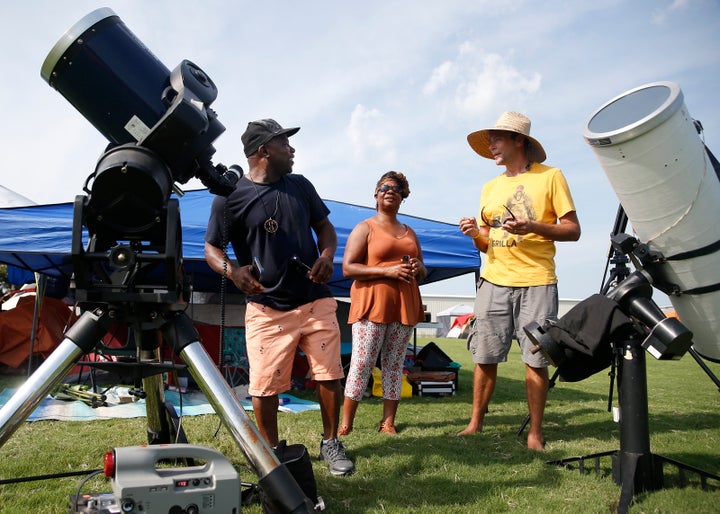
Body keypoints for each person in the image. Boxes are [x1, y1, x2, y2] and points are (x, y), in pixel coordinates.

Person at [204, 119, 354, 476]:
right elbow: (212, 247)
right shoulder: (229, 198)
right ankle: (270, 453)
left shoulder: (300, 186)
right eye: (285, 143)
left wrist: (327, 256)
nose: (292, 150)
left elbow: (325, 229)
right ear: (264, 151)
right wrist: (233, 272)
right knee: (265, 384)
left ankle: (331, 442)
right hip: (266, 307)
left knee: (329, 374)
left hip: (315, 299)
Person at [457, 111, 581, 450]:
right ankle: (475, 423)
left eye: (497, 138)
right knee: (484, 355)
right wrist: (474, 235)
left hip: (537, 281)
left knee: (536, 359)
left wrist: (533, 226)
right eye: (491, 140)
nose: (492, 145)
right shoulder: (490, 187)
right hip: (494, 280)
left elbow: (573, 230)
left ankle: (535, 433)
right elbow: (486, 240)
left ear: (519, 141)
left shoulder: (551, 177)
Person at [338, 171, 426, 436]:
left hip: (404, 305)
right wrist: (387, 272)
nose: (390, 191)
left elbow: (422, 272)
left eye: (396, 189)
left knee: (394, 365)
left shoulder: (410, 231)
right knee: (363, 362)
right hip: (372, 303)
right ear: (375, 195)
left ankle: (388, 422)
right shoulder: (365, 227)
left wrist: (418, 267)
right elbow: (348, 268)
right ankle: (346, 422)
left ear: (402, 198)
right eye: (385, 187)